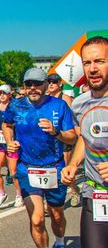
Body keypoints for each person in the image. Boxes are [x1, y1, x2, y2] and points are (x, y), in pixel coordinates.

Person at [2, 67, 76, 248]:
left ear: (46, 85)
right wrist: (10, 142)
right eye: (28, 84)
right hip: (27, 168)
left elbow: (72, 137)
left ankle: (59, 244)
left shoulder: (59, 106)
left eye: (37, 84)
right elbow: (7, 124)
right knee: (36, 219)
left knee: (57, 216)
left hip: (54, 167)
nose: (32, 88)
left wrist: (56, 131)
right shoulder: (16, 105)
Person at [62, 36, 108, 248]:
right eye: (88, 63)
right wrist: (73, 164)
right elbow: (84, 137)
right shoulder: (79, 104)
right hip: (96, 196)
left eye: (99, 61)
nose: (93, 68)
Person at [46, 72, 81, 207]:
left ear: (60, 84)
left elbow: (72, 118)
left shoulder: (65, 98)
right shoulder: (46, 99)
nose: (51, 84)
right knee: (50, 167)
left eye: (54, 82)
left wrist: (75, 134)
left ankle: (74, 191)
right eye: (49, 82)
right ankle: (50, 198)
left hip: (64, 135)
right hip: (51, 138)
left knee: (65, 167)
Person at [0, 85, 23, 208]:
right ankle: (2, 193)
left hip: (11, 143)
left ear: (10, 94)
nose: (2, 95)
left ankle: (19, 195)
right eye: (0, 93)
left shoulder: (14, 107)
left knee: (13, 172)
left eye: (4, 93)